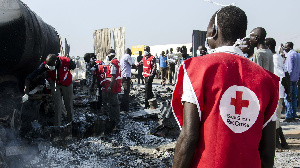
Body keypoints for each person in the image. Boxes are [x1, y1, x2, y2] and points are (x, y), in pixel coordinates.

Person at [172, 6, 279, 168]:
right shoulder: (267, 80)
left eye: (208, 31)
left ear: (214, 31)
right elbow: (268, 152)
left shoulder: (197, 70)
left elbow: (189, 137)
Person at [25, 54, 76, 129]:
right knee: (57, 105)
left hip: (67, 84)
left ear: (56, 62)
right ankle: (57, 127)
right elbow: (34, 73)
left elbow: (73, 66)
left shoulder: (66, 61)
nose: (50, 68)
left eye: (52, 66)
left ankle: (71, 124)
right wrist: (26, 88)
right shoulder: (45, 65)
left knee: (68, 105)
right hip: (55, 83)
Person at [266, 38, 290, 149]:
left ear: (269, 46)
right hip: (279, 91)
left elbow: (282, 76)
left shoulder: (274, 58)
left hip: (277, 91)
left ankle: (277, 143)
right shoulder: (278, 57)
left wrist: (287, 92)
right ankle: (283, 142)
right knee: (276, 118)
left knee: (275, 118)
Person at [105, 49, 122, 130]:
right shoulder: (117, 62)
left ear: (110, 55)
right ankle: (116, 119)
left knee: (113, 104)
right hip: (117, 85)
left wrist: (109, 87)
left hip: (113, 86)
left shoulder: (112, 63)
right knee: (116, 103)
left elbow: (113, 76)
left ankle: (114, 121)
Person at [283, 42, 300, 122]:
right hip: (295, 79)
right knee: (294, 97)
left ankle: (289, 115)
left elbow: (289, 69)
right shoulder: (297, 54)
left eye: (285, 47)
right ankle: (294, 114)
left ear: (289, 47)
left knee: (288, 98)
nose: (285, 49)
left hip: (290, 80)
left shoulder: (290, 55)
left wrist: (286, 79)